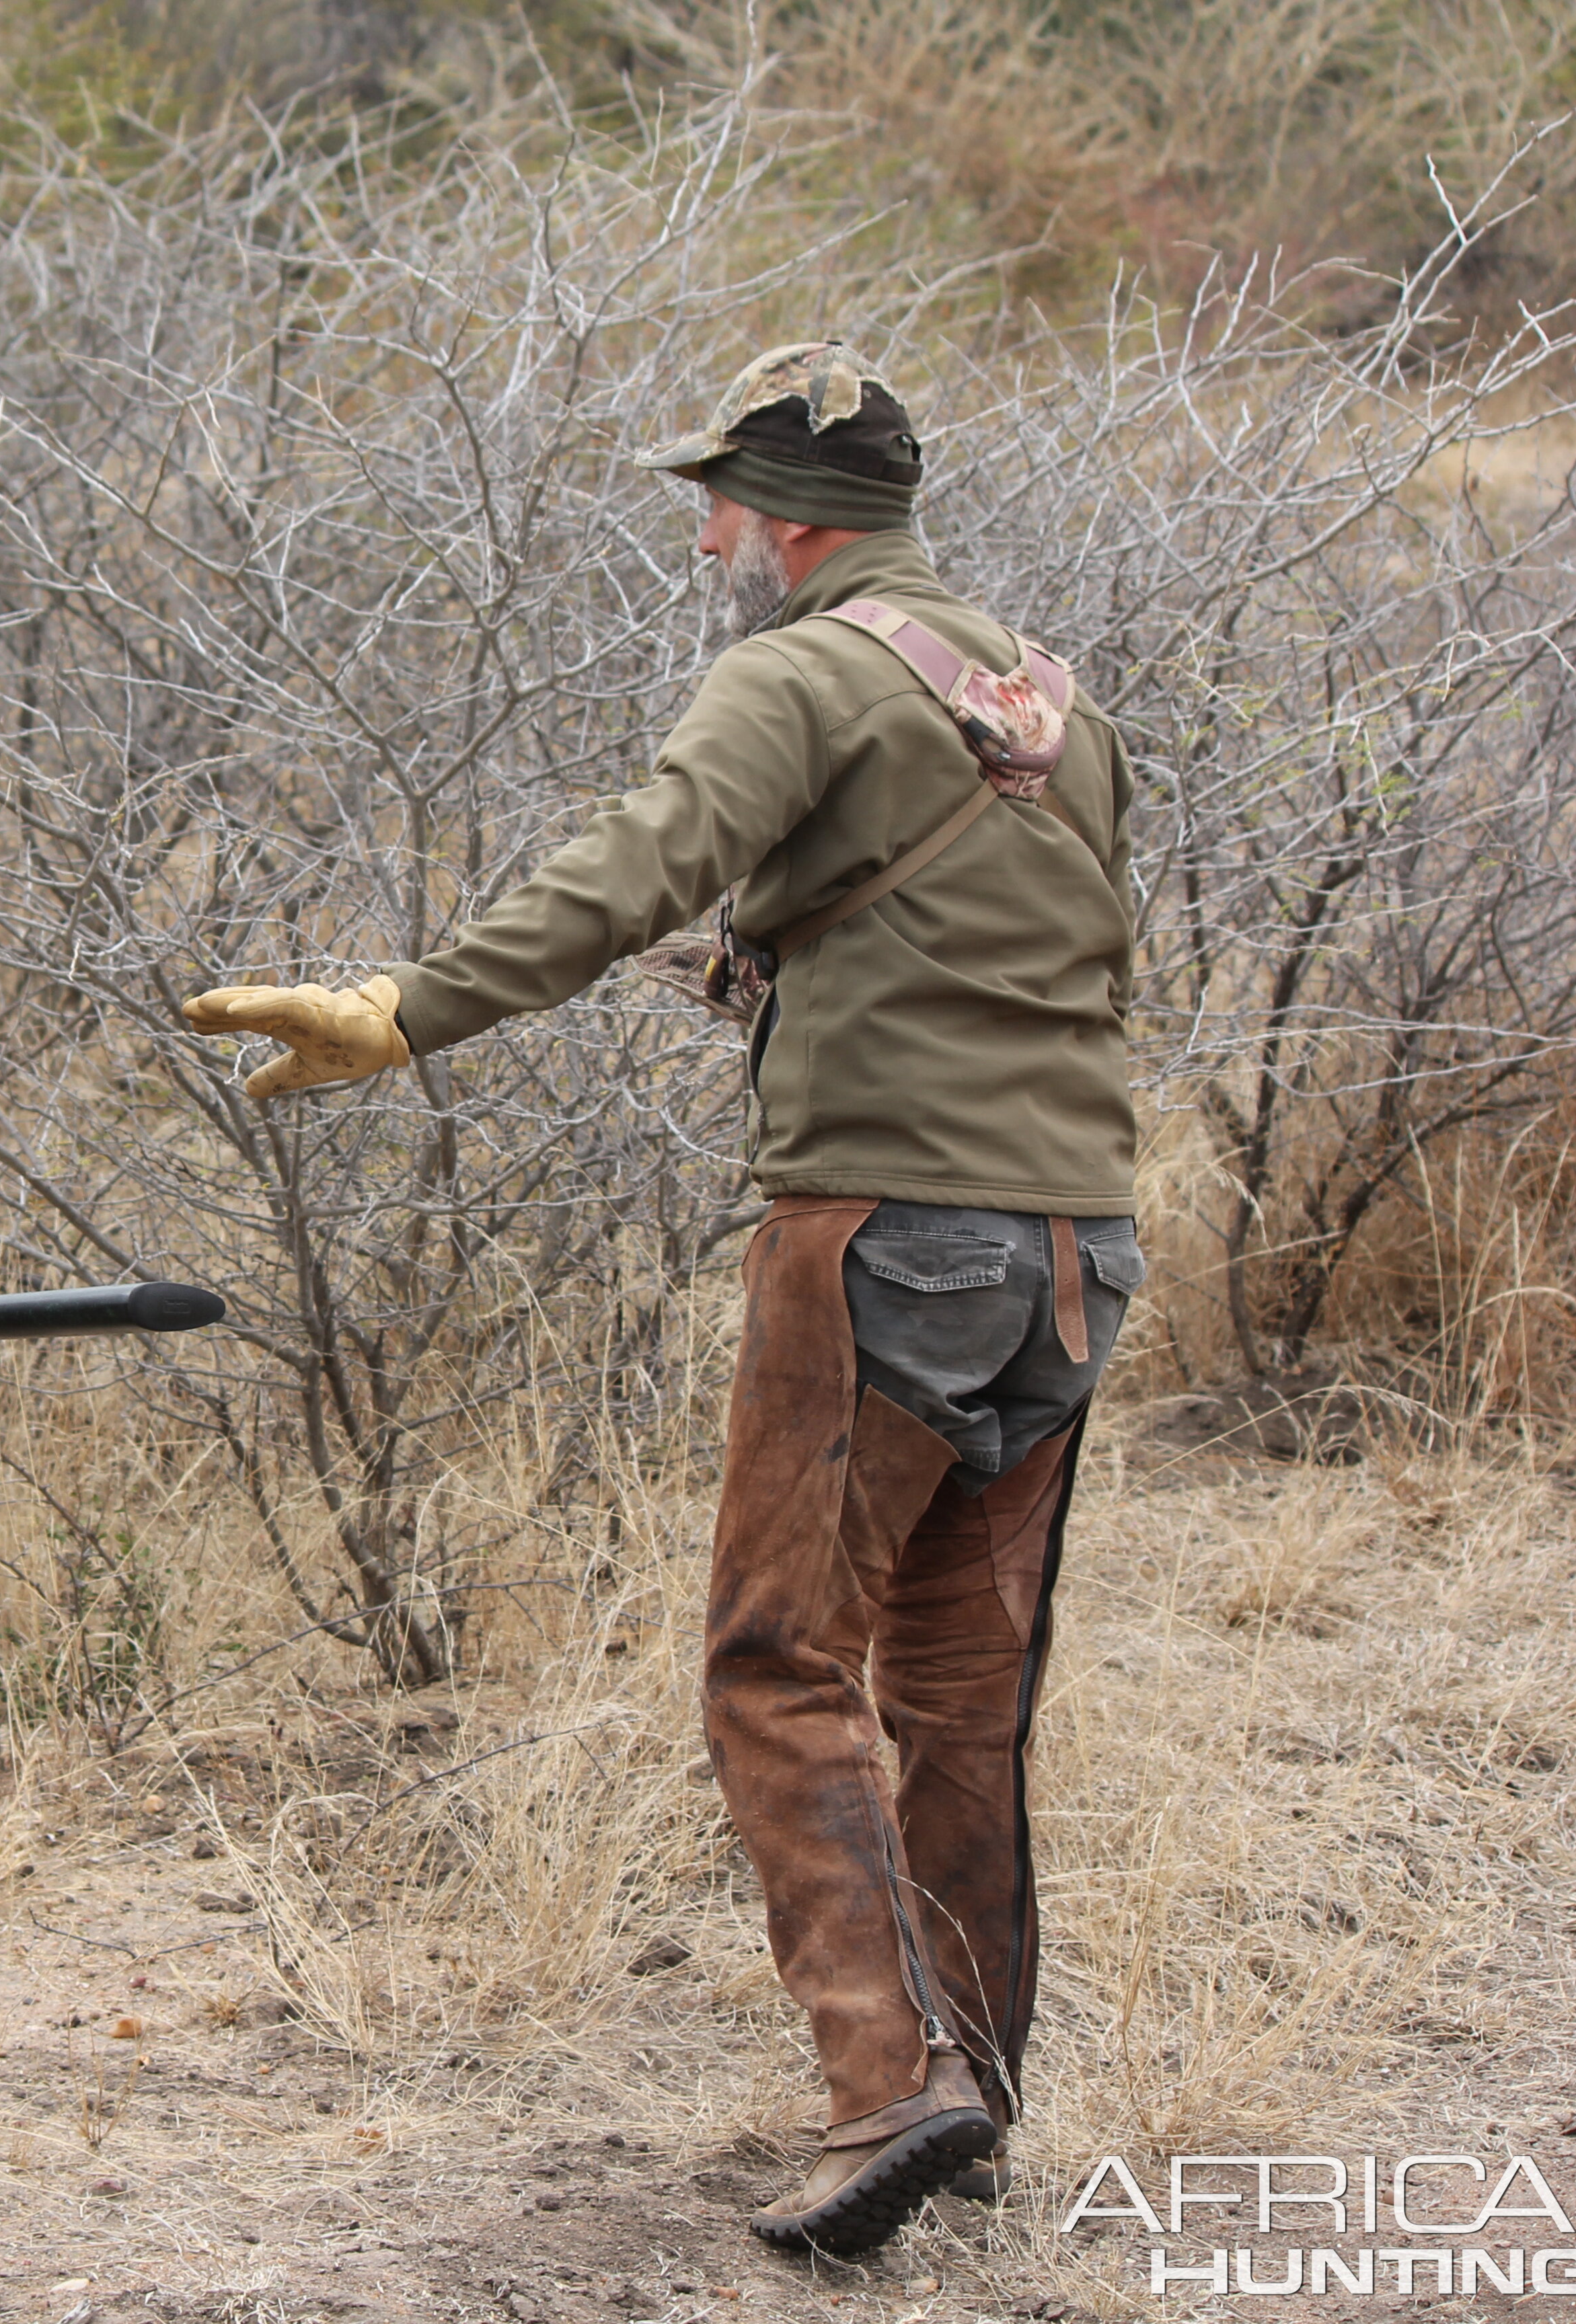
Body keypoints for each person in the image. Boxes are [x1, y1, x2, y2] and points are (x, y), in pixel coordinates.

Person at [183, 344, 1141, 2259]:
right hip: (1075, 1242)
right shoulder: (1048, 702)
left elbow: (639, 861)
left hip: (881, 1233)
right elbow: (1060, 955)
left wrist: (402, 1007)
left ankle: (889, 2089)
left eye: (718, 497)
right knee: (963, 1690)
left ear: (786, 516)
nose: (706, 530)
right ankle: (982, 2098)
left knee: (776, 1661)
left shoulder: (792, 668)